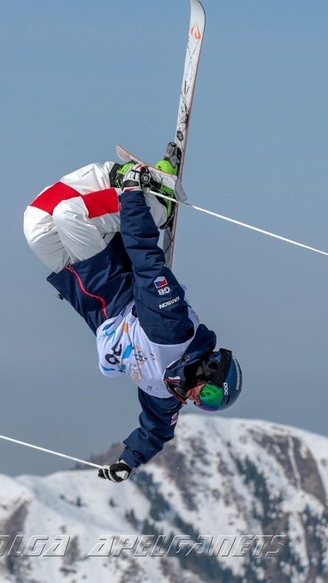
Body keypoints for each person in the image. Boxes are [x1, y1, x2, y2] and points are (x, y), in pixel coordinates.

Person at [23, 146, 242, 483]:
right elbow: (146, 260)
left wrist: (128, 461)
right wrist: (132, 195)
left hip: (84, 293)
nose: (200, 402)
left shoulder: (166, 395)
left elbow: (155, 431)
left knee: (36, 223)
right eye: (210, 395)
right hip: (111, 277)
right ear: (209, 370)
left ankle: (133, 192)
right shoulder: (172, 329)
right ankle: (154, 200)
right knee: (70, 214)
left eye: (208, 406)